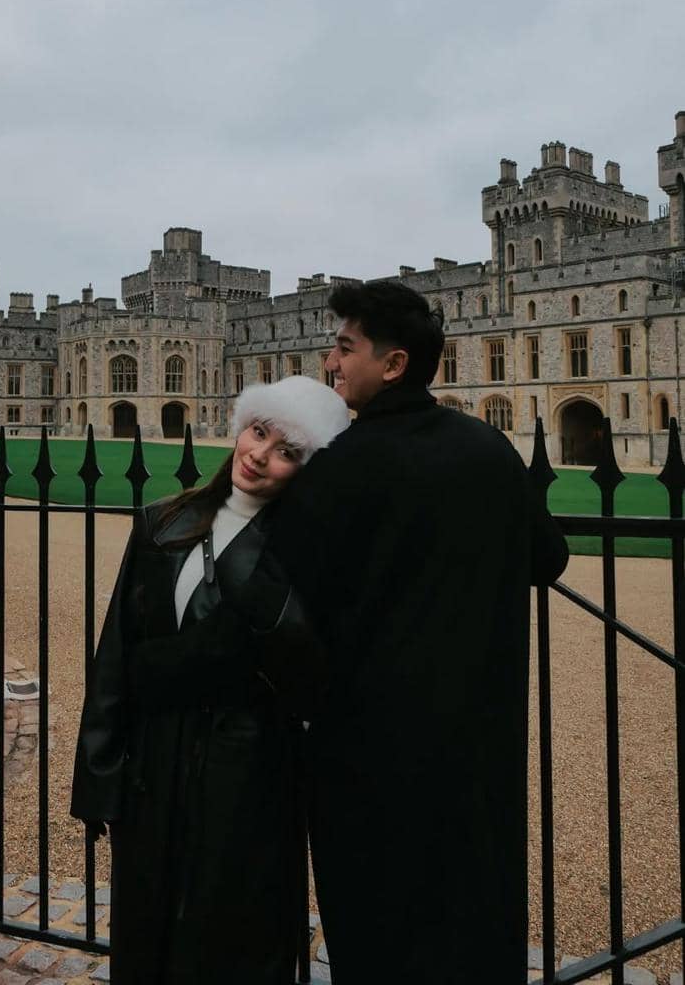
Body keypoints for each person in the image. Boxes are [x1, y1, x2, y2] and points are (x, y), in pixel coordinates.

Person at [249, 280, 569, 985]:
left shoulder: (337, 467)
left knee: (376, 923)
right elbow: (548, 558)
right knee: (475, 913)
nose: (331, 363)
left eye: (345, 348)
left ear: (392, 364)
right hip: (478, 741)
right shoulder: (487, 448)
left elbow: (280, 600)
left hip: (364, 748)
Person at [70, 375, 350, 985]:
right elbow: (116, 655)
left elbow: (313, 679)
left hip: (249, 768)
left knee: (233, 939)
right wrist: (99, 771)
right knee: (147, 926)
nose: (260, 455)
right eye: (259, 432)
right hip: (156, 761)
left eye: (287, 451)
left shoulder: (305, 553)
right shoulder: (161, 522)